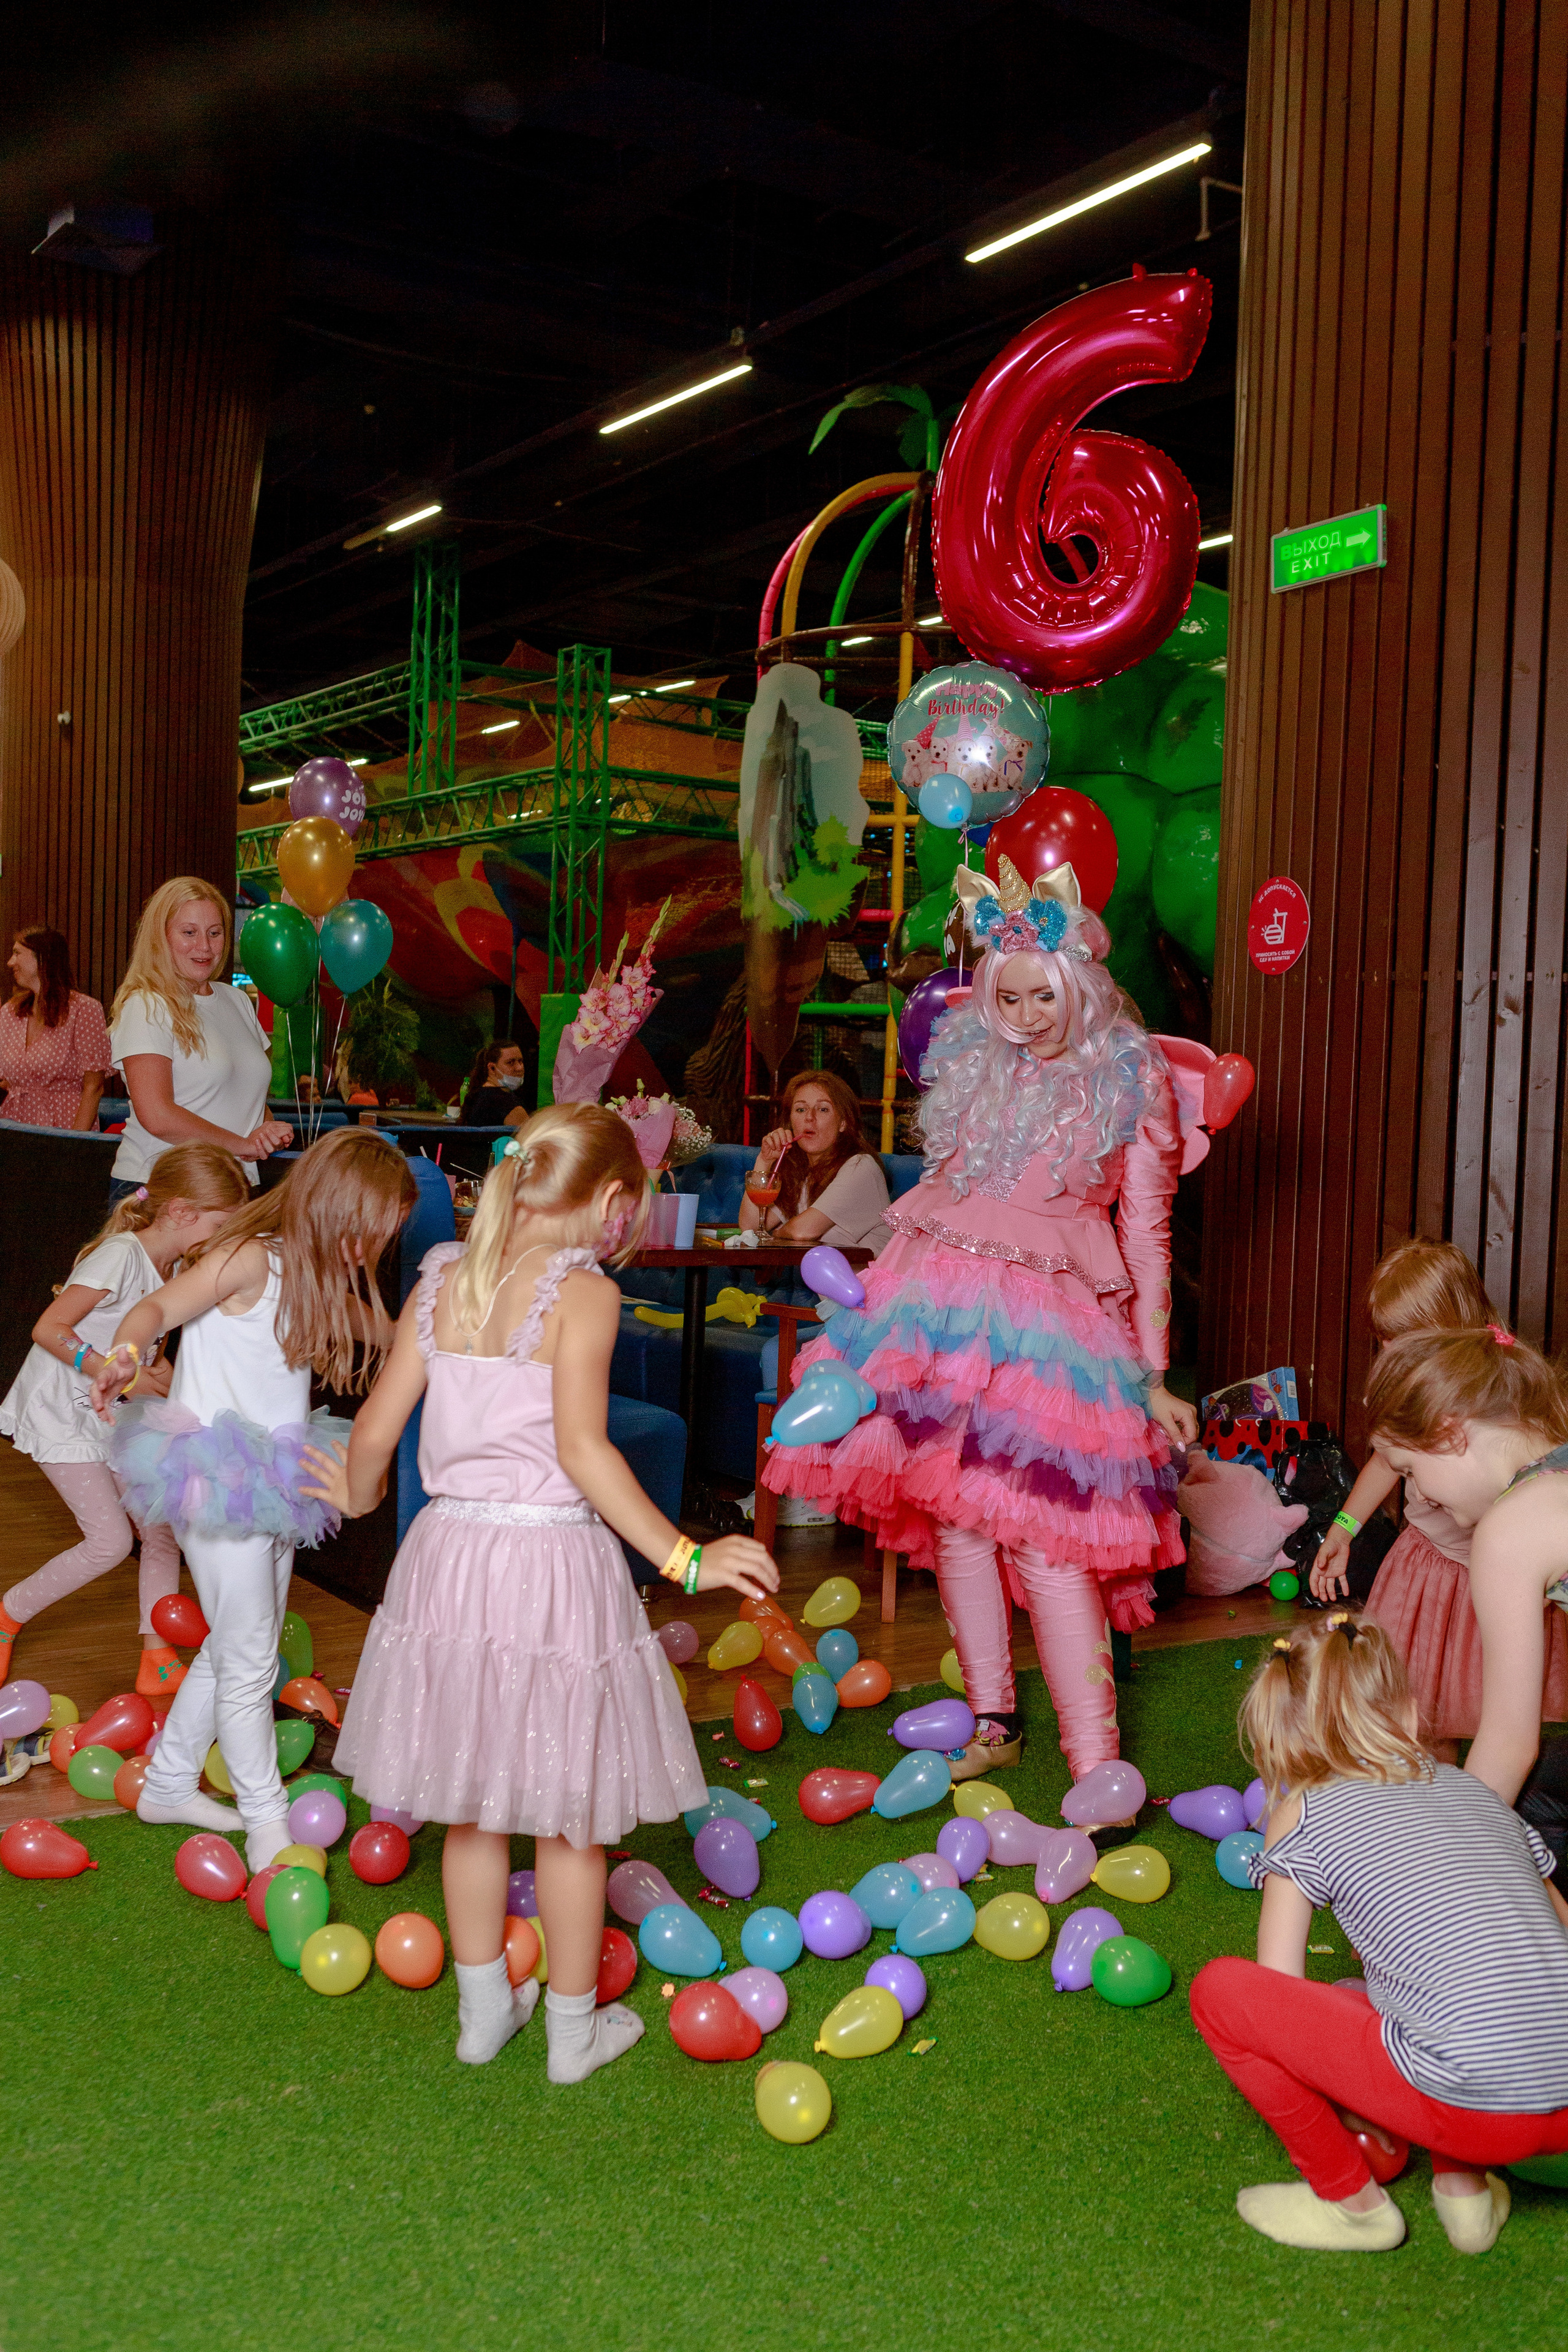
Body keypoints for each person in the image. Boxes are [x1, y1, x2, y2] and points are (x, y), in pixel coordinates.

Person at [303, 1103, 779, 2081]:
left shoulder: (442, 1278)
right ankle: (572, 2033)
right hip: (550, 1565)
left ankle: (485, 2014)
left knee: (471, 1807)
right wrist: (686, 1557)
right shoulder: (586, 1294)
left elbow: (377, 1428)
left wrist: (348, 1494)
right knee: (569, 1817)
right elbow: (583, 1450)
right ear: (611, 1200)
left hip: (446, 1560)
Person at [761, 857, 1194, 1785]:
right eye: (1011, 998)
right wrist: (883, 1303)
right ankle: (993, 1723)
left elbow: (1148, 1233)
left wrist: (1155, 1376)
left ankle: (1097, 1767)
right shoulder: (974, 1064)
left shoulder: (1134, 1077)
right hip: (944, 1309)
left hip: (1057, 1331)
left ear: (1079, 983)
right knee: (957, 1524)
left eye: (1045, 995)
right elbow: (942, 1195)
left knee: (1048, 1539)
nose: (1029, 1016)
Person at [88, 1128, 417, 1871]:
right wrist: (127, 1355)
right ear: (338, 1209)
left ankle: (170, 1779)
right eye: (370, 1233)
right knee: (247, 1658)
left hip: (277, 1479)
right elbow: (153, 1312)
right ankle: (265, 1816)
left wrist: (437, 1338)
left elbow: (387, 1333)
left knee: (244, 1647)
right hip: (216, 1475)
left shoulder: (311, 1272)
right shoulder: (246, 1258)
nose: (372, 1251)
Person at [1189, 1612, 1568, 2255]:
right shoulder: (1475, 1793)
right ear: (1413, 1711)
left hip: (1480, 2116)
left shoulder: (1300, 1812)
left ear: (1280, 1732)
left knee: (1222, 1993)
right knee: (1387, 1990)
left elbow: (1280, 1989)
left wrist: (1353, 2098)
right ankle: (1463, 2192)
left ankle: (1352, 2207)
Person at [0, 1145, 251, 1716]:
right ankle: (7, 1615)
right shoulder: (120, 1256)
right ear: (182, 1212)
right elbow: (50, 1327)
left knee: (158, 1528)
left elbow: (147, 1347)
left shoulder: (180, 1267)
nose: (222, 1239)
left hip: (116, 1413)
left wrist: (154, 1372)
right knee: (110, 1541)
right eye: (219, 1225)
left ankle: (156, 1654)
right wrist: (115, 1373)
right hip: (62, 1411)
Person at [1310, 1240, 1568, 1752]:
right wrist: (1343, 1528)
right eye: (1383, 1341)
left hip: (1488, 1574)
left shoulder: (1511, 1402)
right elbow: (1385, 1462)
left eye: (1401, 1339)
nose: (1390, 1354)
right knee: (1420, 1705)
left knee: (1497, 1701)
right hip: (1432, 1570)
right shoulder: (1415, 1399)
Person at [1363, 1323, 1568, 1870]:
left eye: (1410, 1470)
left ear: (1450, 1434)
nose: (1418, 1493)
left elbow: (1508, 1744)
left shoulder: (1509, 1530)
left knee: (1518, 1811)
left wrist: (1441, 1861)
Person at [108, 878, 293, 1202]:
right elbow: (157, 1115)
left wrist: (266, 1130)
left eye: (215, 932)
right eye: (189, 933)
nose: (205, 947)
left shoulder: (237, 1000)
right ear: (161, 937)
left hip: (234, 1186)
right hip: (165, 1187)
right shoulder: (147, 1004)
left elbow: (244, 1094)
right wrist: (244, 1145)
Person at [739, 1069, 892, 1256]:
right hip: (827, 1284)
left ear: (843, 1123)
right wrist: (764, 1160)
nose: (809, 1117)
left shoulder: (861, 1166)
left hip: (871, 1284)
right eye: (801, 1109)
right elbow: (750, 1226)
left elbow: (803, 1231)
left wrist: (776, 1234)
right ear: (791, 1121)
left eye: (823, 1109)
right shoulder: (802, 1173)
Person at [0, 926, 113, 1130]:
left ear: (43, 958)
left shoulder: (84, 1010)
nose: (10, 962)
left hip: (63, 1127)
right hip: (13, 1128)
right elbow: (7, 1081)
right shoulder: (10, 1012)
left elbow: (94, 1087)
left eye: (17, 953)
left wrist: (73, 1144)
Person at [459, 1037, 532, 1131]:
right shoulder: (504, 1101)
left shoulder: (480, 1093)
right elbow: (531, 1137)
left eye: (520, 1061)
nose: (519, 1068)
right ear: (492, 1068)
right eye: (511, 1063)